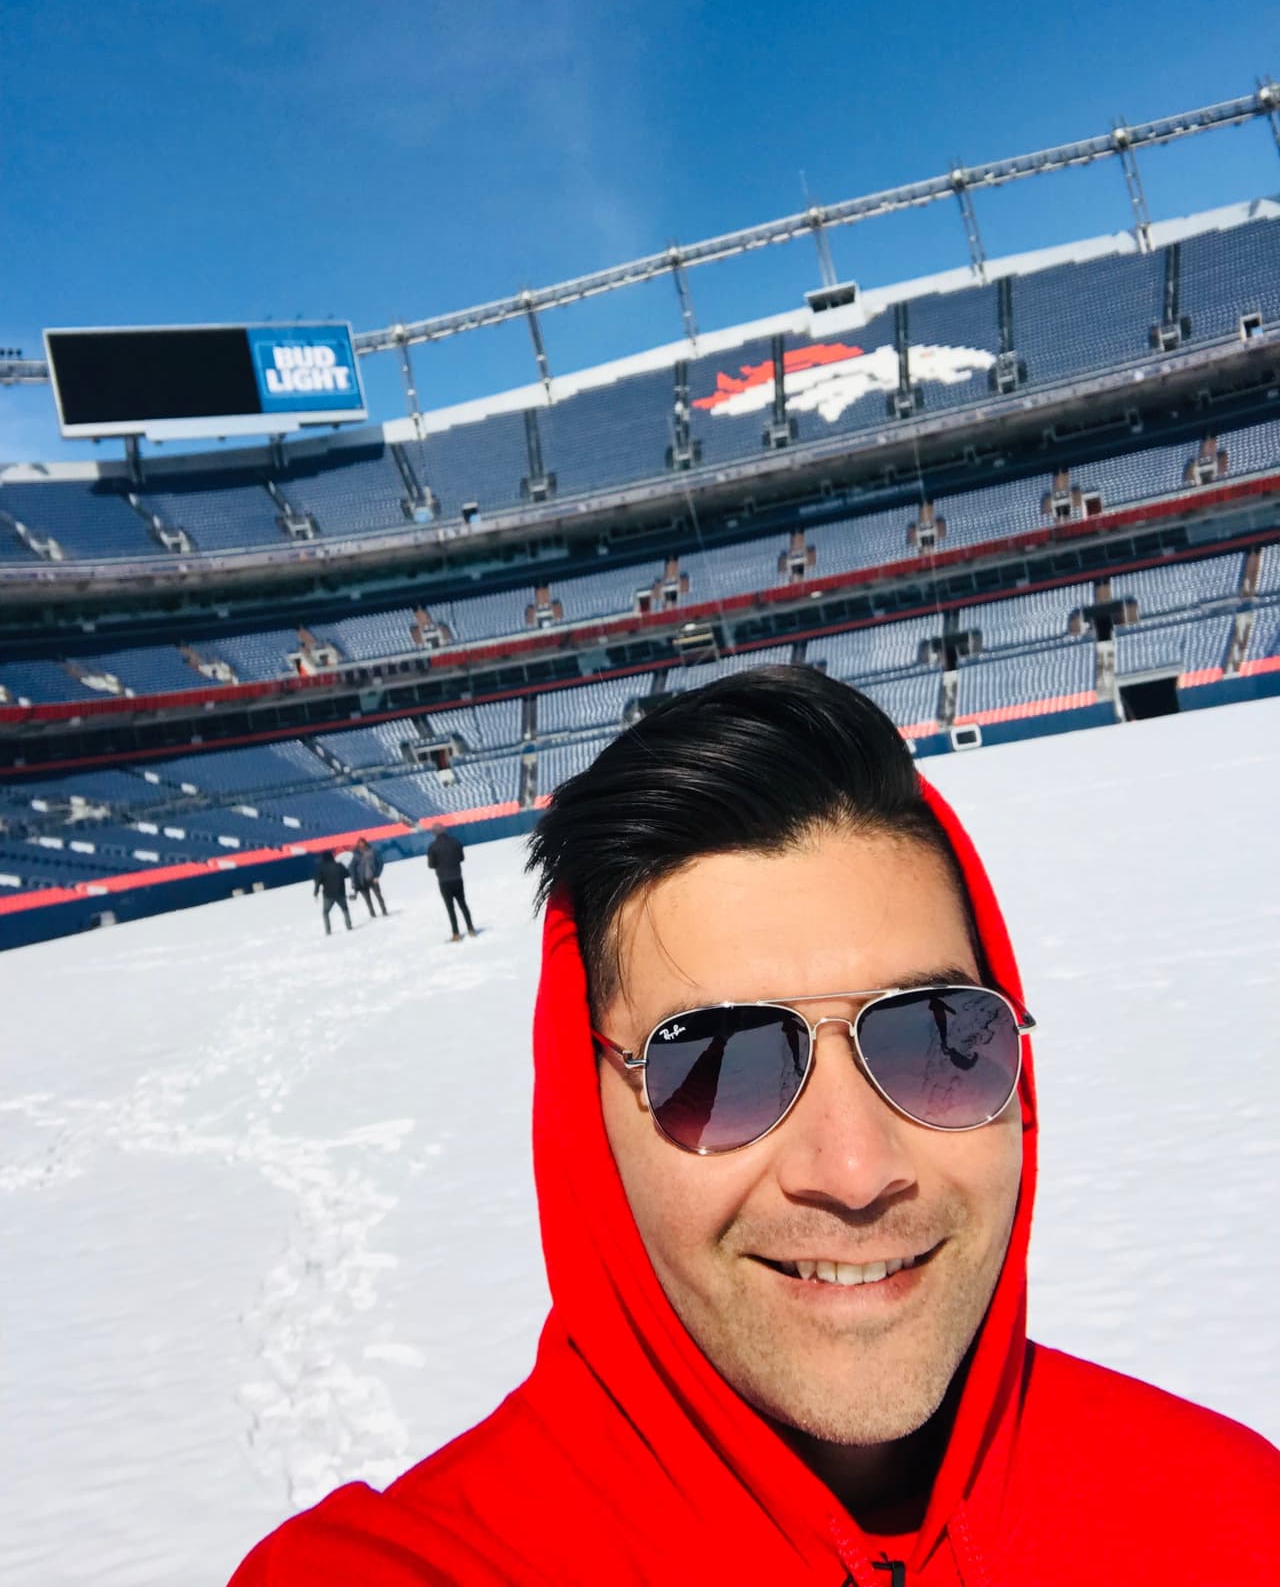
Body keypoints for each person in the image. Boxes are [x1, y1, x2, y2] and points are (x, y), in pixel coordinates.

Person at [234, 667, 1280, 1585]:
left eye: (934, 1037)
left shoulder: (1234, 1517)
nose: (854, 1167)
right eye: (719, 1066)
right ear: (583, 1115)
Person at [427, 827, 476, 941]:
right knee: (463, 904)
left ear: (434, 834)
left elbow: (431, 865)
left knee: (450, 908)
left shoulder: (432, 847)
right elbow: (461, 858)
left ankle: (456, 934)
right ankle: (471, 929)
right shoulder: (455, 842)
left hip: (444, 881)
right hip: (457, 878)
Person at [311, 847, 352, 936]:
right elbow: (347, 874)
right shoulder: (339, 865)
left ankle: (328, 931)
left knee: (325, 912)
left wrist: (315, 893)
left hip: (328, 894)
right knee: (345, 909)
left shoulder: (321, 868)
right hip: (340, 892)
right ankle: (349, 926)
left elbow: (318, 882)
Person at [350, 836, 388, 919]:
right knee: (367, 900)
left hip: (372, 878)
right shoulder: (355, 854)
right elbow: (352, 868)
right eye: (359, 842)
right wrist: (353, 881)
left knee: (378, 896)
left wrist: (377, 876)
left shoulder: (372, 851)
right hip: (362, 881)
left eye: (362, 842)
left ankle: (384, 911)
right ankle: (372, 914)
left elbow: (380, 863)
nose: (361, 844)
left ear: (365, 842)